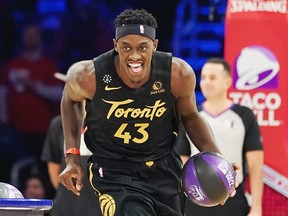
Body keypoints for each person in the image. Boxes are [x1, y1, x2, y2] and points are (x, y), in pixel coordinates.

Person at [58, 9, 237, 216]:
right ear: (115, 45)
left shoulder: (177, 75)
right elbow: (70, 99)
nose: (134, 56)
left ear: (155, 45)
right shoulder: (89, 76)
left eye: (142, 47)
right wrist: (72, 157)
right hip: (114, 173)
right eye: (126, 47)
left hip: (163, 168)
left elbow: (190, 117)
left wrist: (217, 161)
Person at [175, 57, 264, 216]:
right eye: (203, 77)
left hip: (233, 199)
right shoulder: (190, 116)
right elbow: (181, 159)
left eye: (213, 78)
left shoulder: (244, 115)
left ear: (227, 82)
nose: (207, 82)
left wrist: (257, 207)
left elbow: (256, 165)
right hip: (197, 198)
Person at [0, 24, 63, 161]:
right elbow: (3, 93)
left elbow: (58, 94)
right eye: (27, 34)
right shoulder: (11, 65)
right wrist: (3, 121)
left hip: (42, 130)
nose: (30, 38)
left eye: (33, 34)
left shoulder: (48, 65)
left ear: (40, 38)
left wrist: (32, 84)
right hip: (15, 130)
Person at [41, 113, 102, 216]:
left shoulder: (110, 124)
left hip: (101, 206)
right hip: (65, 207)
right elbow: (54, 169)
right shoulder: (59, 124)